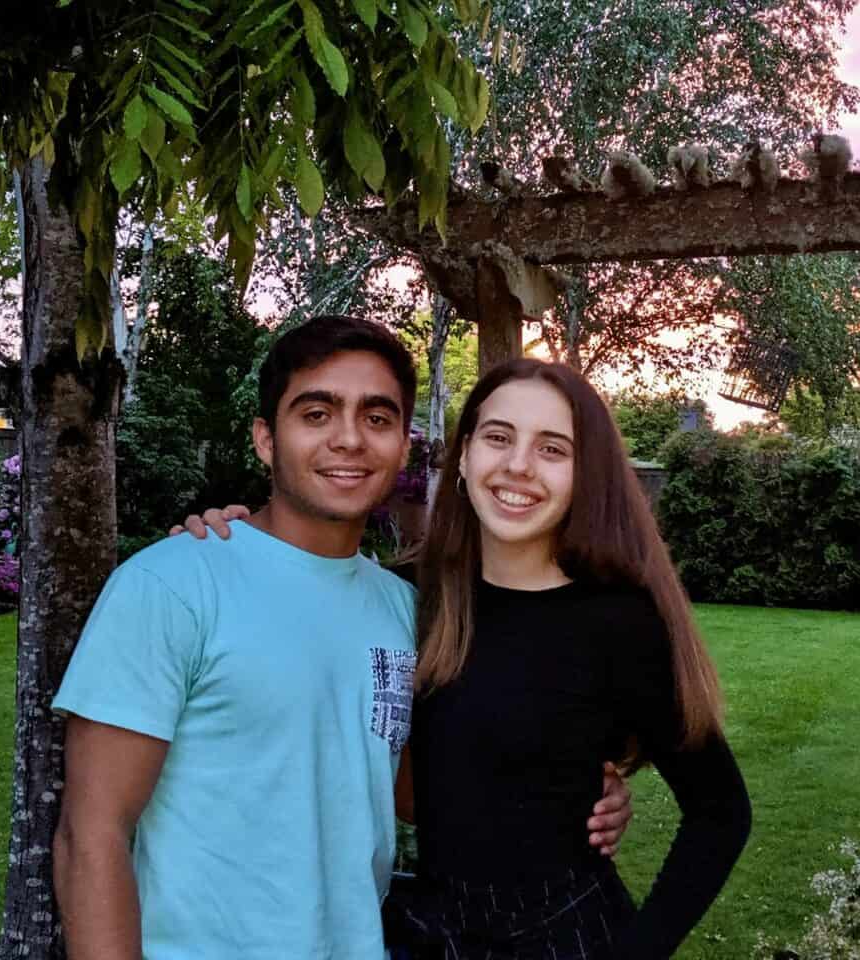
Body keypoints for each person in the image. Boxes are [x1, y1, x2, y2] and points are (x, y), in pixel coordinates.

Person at [51, 316, 631, 960]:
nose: (350, 439)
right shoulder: (171, 585)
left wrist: (581, 791)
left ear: (404, 446)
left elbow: (419, 796)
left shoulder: (407, 610)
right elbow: (92, 833)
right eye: (318, 414)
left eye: (377, 418)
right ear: (266, 439)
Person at [182, 356, 752, 959]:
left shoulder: (618, 623)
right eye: (498, 437)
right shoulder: (403, 600)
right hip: (429, 932)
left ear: (586, 475)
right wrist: (228, 544)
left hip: (563, 936)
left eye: (553, 449)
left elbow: (720, 812)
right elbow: (294, 588)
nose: (518, 466)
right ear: (463, 454)